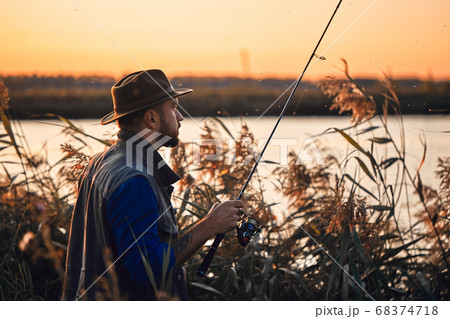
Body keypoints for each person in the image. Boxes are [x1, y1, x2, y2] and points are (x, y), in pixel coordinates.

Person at [62, 69, 244, 301]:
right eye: (174, 108)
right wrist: (210, 226)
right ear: (152, 118)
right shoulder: (134, 180)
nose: (180, 117)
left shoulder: (99, 162)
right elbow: (146, 270)